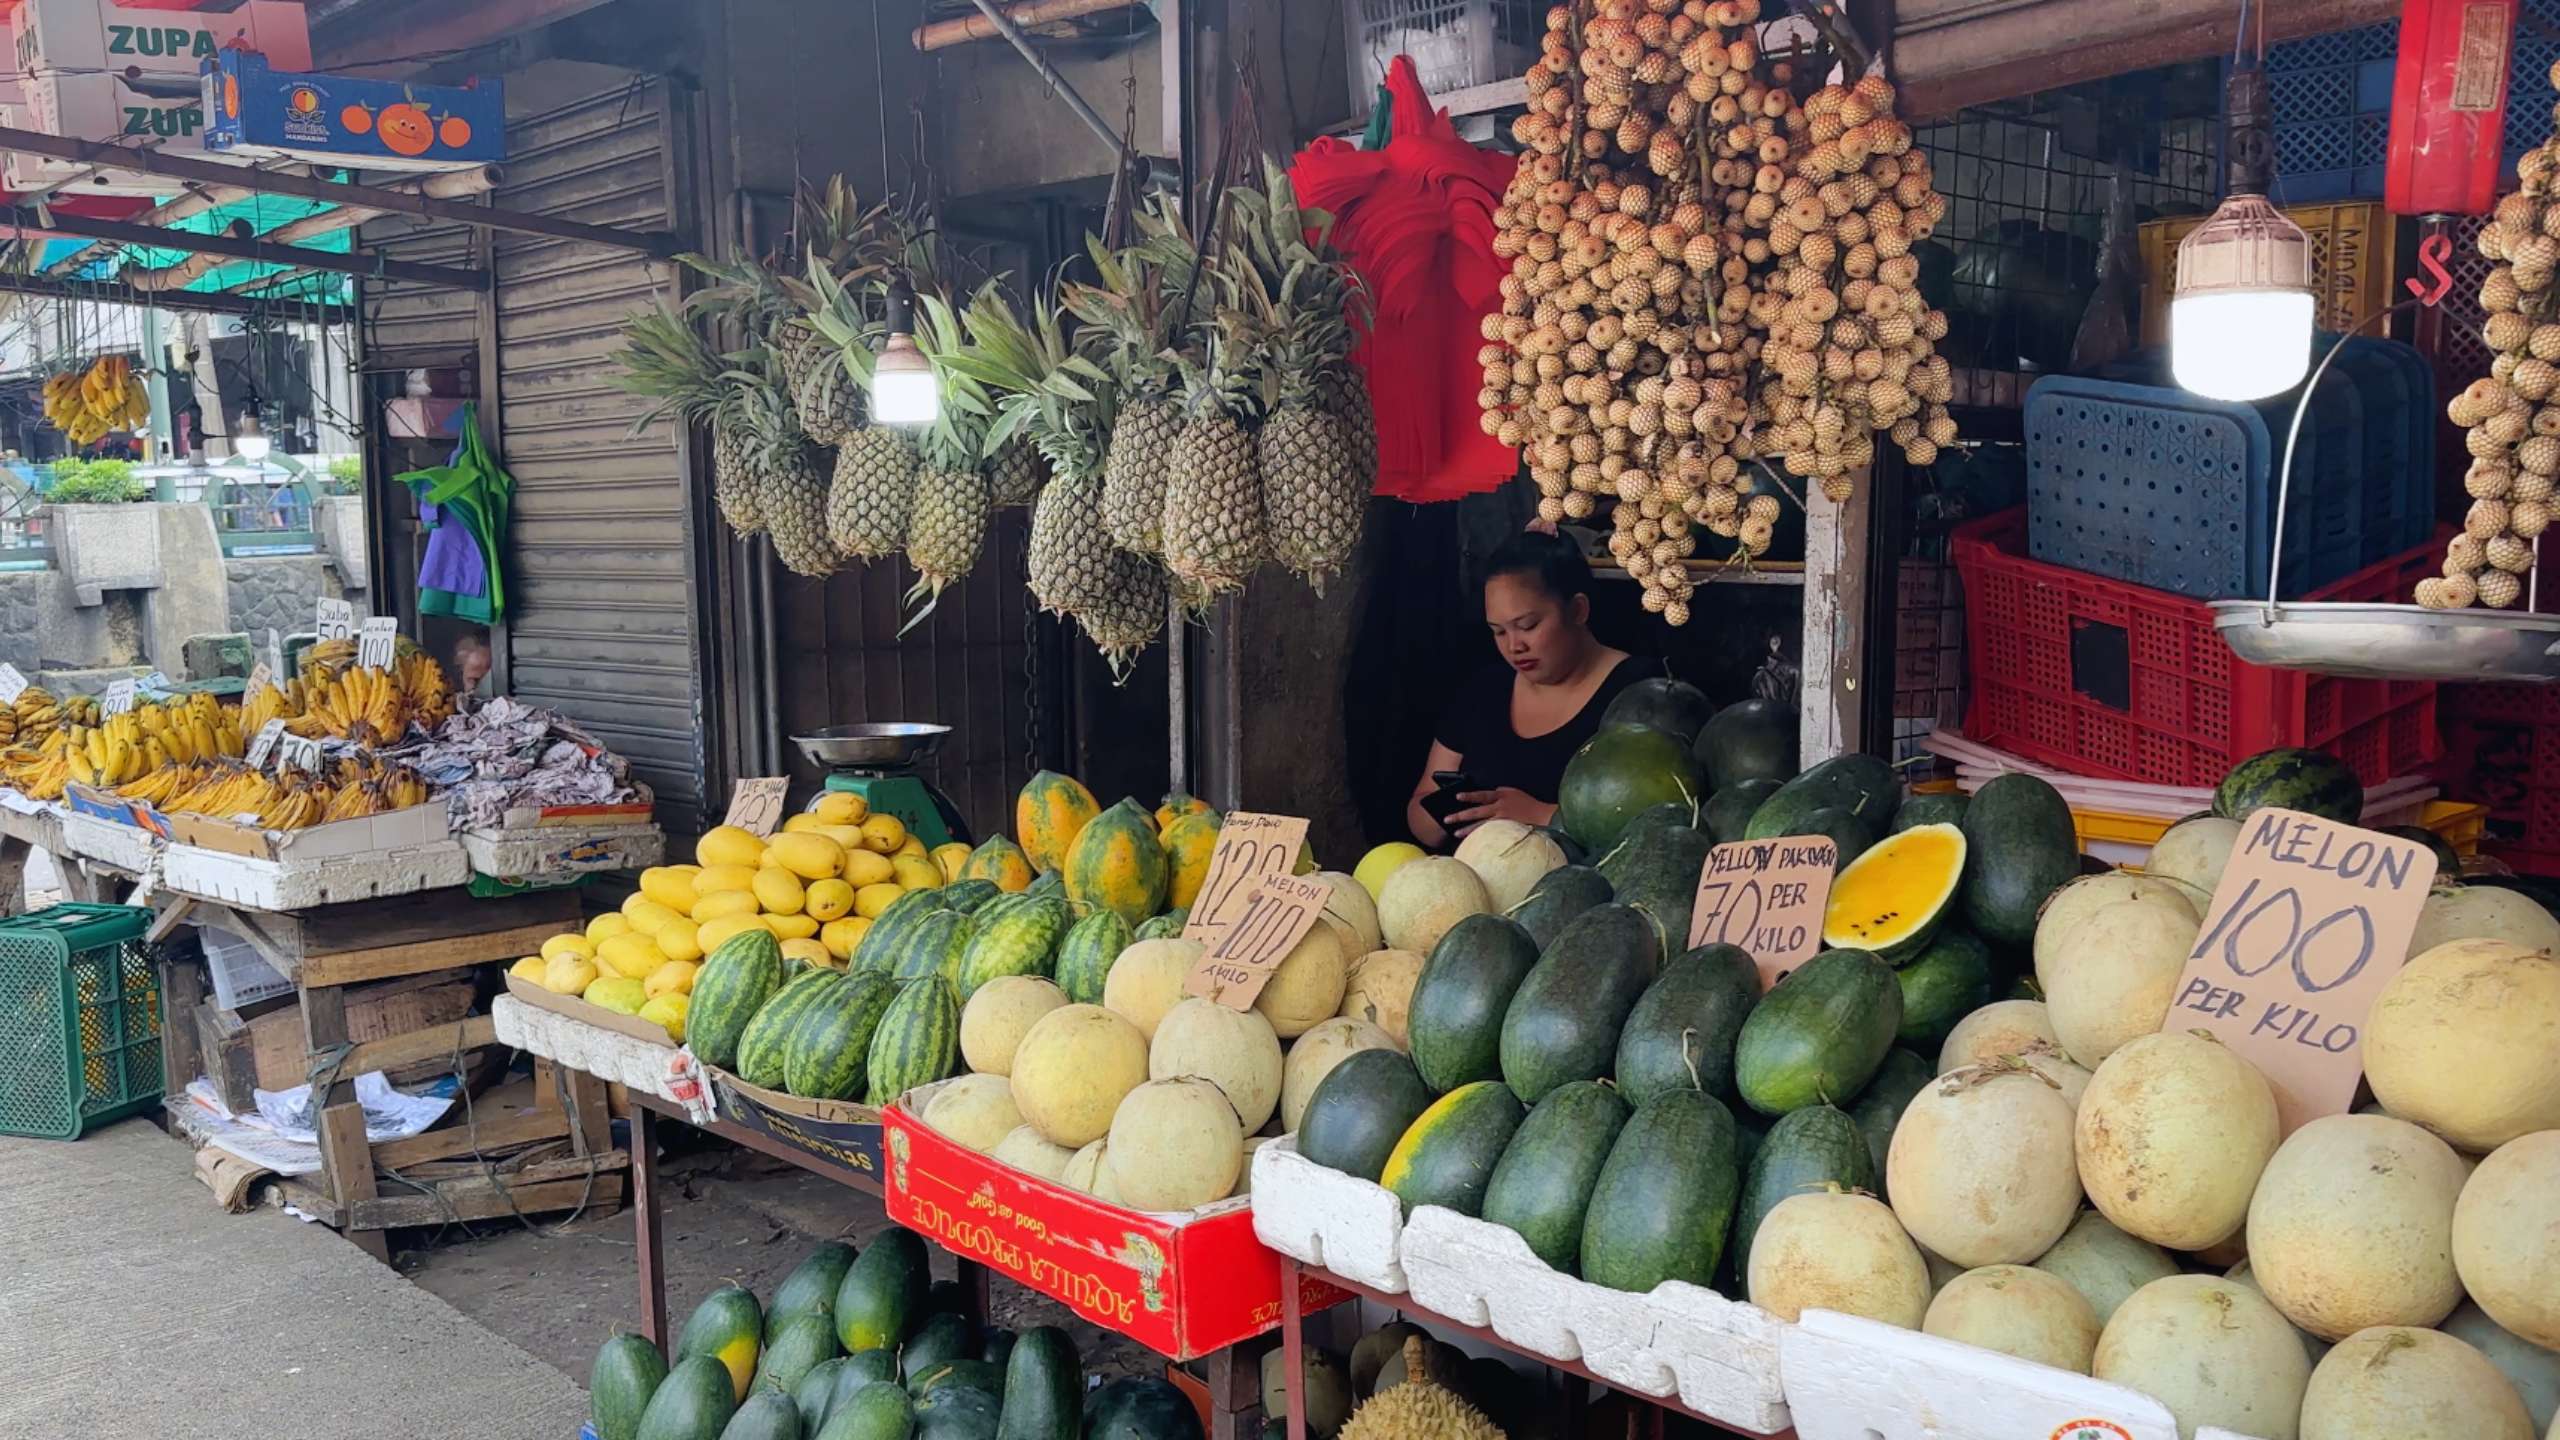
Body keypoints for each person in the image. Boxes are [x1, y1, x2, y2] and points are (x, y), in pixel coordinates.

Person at [1407, 530, 1663, 846]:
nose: (1514, 646)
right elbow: (1421, 805)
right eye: (1498, 632)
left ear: (1577, 610)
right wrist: (1450, 816)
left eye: (1528, 626)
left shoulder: (1641, 693)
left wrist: (1541, 815)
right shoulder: (1484, 690)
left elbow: (1655, 822)